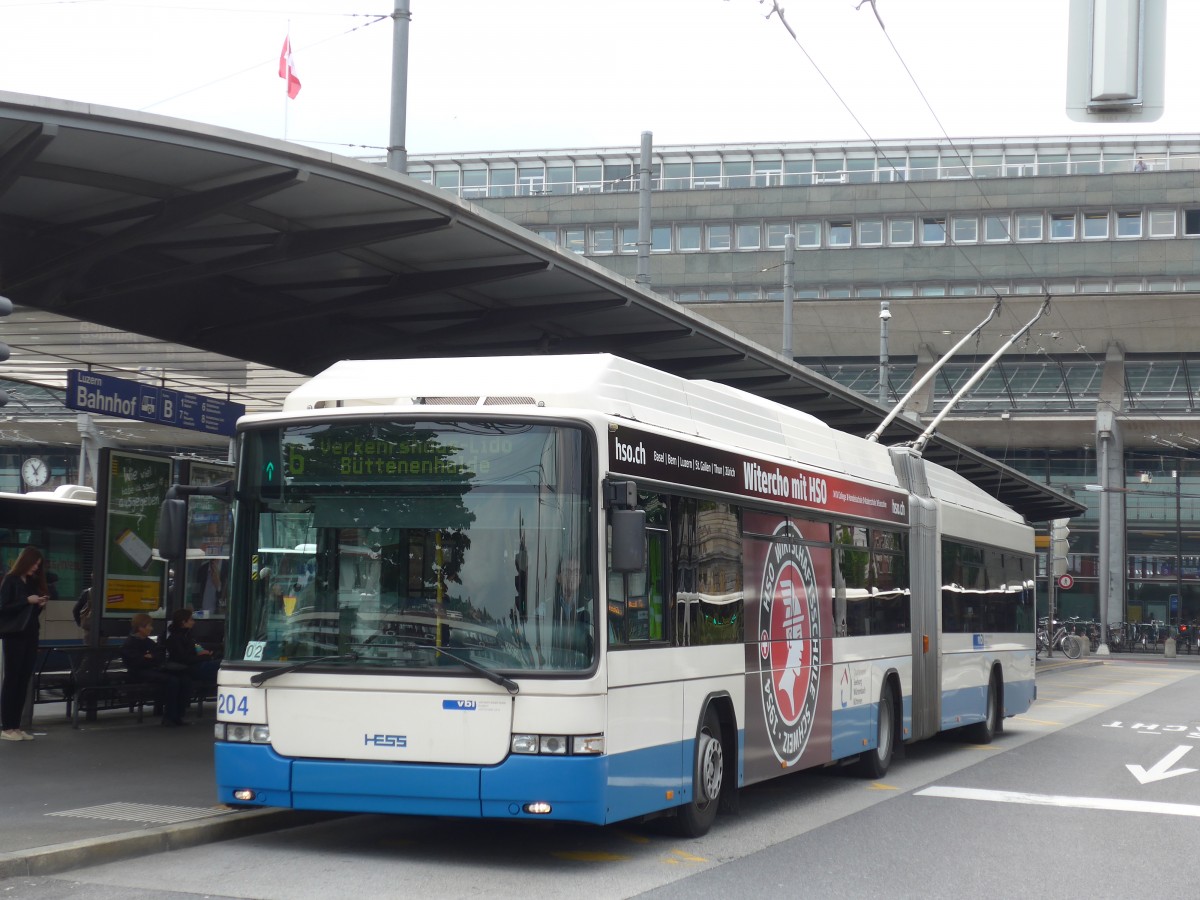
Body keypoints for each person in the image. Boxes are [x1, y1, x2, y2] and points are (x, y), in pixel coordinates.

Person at [0, 546, 50, 741]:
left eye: (38, 566)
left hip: (30, 633)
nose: (36, 569)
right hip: (14, 636)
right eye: (34, 564)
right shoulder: (10, 580)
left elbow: (29, 613)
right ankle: (6, 727)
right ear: (25, 562)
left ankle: (16, 726)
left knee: (23, 680)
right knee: (12, 679)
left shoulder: (30, 582)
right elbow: (3, 608)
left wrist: (38, 606)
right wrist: (26, 601)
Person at [121, 613, 192, 726]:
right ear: (141, 627)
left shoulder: (148, 642)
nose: (151, 628)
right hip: (139, 673)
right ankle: (170, 716)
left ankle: (178, 715)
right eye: (149, 626)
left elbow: (158, 656)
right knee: (172, 681)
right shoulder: (131, 643)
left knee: (184, 679)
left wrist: (149, 657)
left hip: (152, 670)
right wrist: (149, 658)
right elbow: (136, 662)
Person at [163, 607, 220, 687]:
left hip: (195, 664)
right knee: (221, 666)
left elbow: (196, 647)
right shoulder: (175, 638)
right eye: (191, 620)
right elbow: (184, 658)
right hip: (188, 668)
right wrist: (205, 657)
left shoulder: (188, 635)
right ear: (183, 622)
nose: (193, 622)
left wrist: (203, 652)